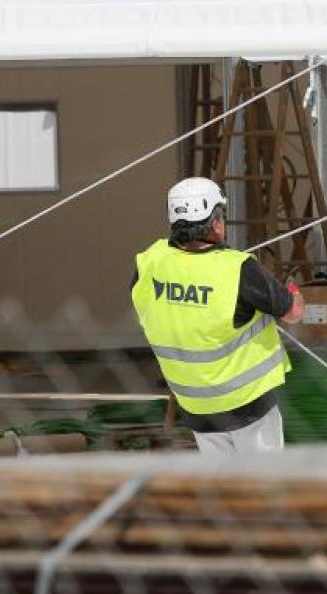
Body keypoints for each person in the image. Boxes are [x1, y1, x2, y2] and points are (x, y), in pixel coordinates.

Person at [130, 177, 304, 454]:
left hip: (197, 408)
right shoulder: (238, 269)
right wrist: (294, 291)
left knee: (223, 486)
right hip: (248, 405)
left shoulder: (150, 262)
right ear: (215, 222)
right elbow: (292, 313)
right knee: (265, 486)